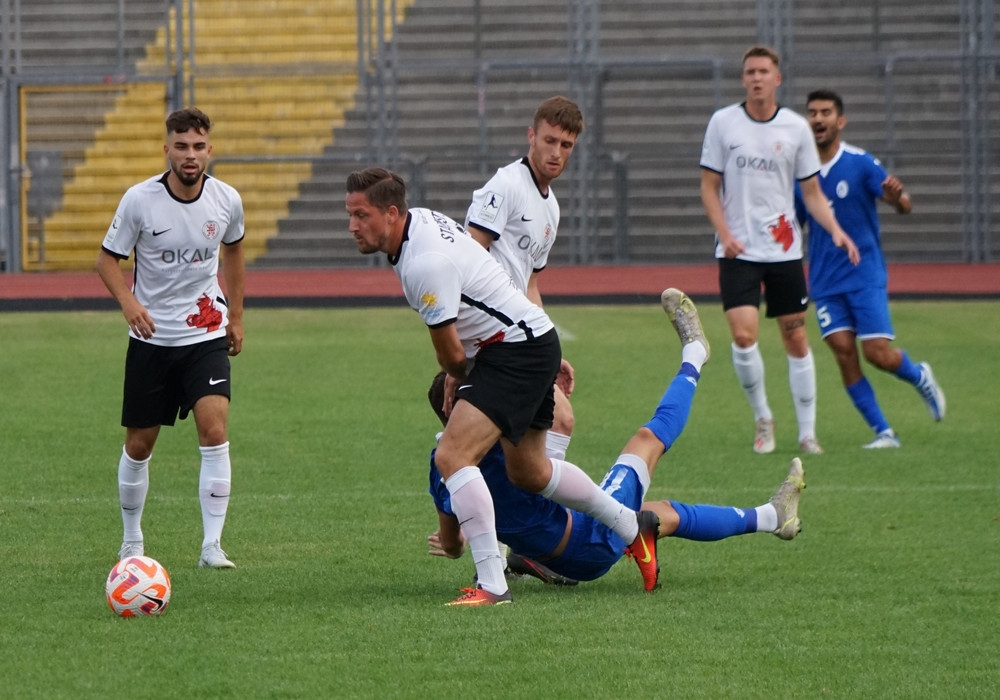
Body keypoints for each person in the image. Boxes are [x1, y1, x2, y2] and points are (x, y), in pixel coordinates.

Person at [346, 166, 660, 606]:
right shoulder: (420, 221)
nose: (352, 226)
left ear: (392, 213)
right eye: (350, 215)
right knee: (530, 472)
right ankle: (631, 526)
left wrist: (462, 378)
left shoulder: (424, 264)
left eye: (361, 215)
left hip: (514, 351)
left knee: (452, 455)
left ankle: (493, 586)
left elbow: (451, 357)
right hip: (532, 340)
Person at [426, 289, 806, 588]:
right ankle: (694, 357)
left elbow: (454, 545)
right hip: (587, 541)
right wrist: (539, 369)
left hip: (560, 544)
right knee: (647, 440)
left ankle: (772, 516)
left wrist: (459, 538)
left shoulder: (441, 463)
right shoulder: (504, 438)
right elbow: (563, 420)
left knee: (659, 515)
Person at [97, 107, 245, 569]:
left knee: (215, 431)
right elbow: (106, 260)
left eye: (198, 146)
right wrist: (129, 304)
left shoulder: (226, 200)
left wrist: (237, 317)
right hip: (152, 340)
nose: (190, 155)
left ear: (209, 150)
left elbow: (234, 252)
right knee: (140, 445)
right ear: (167, 150)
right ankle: (131, 540)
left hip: (206, 334)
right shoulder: (139, 200)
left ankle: (212, 546)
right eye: (181, 146)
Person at [700, 45, 861, 456]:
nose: (756, 78)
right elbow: (709, 187)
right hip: (737, 251)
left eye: (763, 71)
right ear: (743, 79)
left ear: (777, 78)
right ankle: (763, 417)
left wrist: (837, 231)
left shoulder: (795, 128)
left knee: (796, 339)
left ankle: (807, 433)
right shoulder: (723, 122)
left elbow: (812, 192)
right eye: (750, 71)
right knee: (743, 336)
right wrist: (724, 233)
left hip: (784, 251)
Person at [795, 89, 945, 448]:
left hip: (864, 273)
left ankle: (919, 376)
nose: (818, 119)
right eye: (813, 113)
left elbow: (903, 203)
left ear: (841, 121)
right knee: (844, 353)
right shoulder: (801, 174)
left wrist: (896, 199)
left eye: (826, 112)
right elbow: (797, 222)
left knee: (876, 353)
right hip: (825, 280)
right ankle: (884, 432)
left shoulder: (860, 163)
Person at [464, 96, 583, 461]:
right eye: (550, 140)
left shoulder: (552, 207)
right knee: (556, 421)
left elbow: (530, 284)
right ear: (531, 136)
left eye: (566, 145)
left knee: (533, 432)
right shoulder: (507, 185)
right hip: (493, 332)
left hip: (519, 332)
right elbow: (469, 254)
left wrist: (548, 348)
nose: (556, 152)